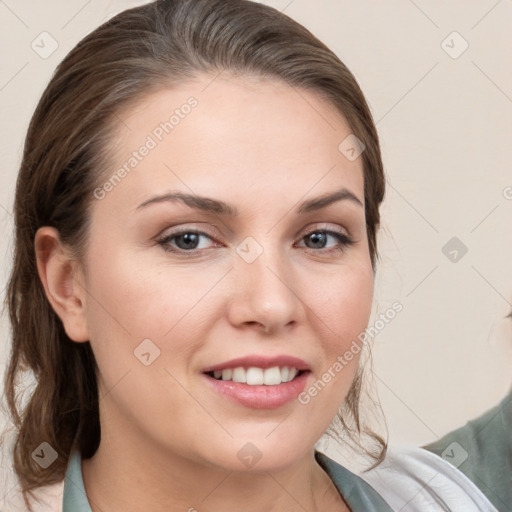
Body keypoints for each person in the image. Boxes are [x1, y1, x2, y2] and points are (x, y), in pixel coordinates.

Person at [0, 1, 499, 510]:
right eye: (188, 239)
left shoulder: (464, 493)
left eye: (320, 238)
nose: (271, 304)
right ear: (68, 284)